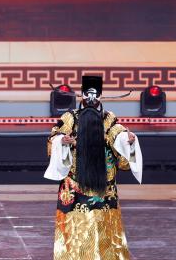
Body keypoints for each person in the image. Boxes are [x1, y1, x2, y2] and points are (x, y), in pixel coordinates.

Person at [44, 75, 142, 260]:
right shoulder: (69, 118)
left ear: (100, 96)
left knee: (105, 226)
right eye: (87, 94)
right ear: (81, 95)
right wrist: (62, 141)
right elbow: (54, 136)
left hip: (102, 183)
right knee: (76, 228)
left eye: (94, 95)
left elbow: (118, 133)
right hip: (75, 183)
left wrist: (127, 140)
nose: (90, 99)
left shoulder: (108, 118)